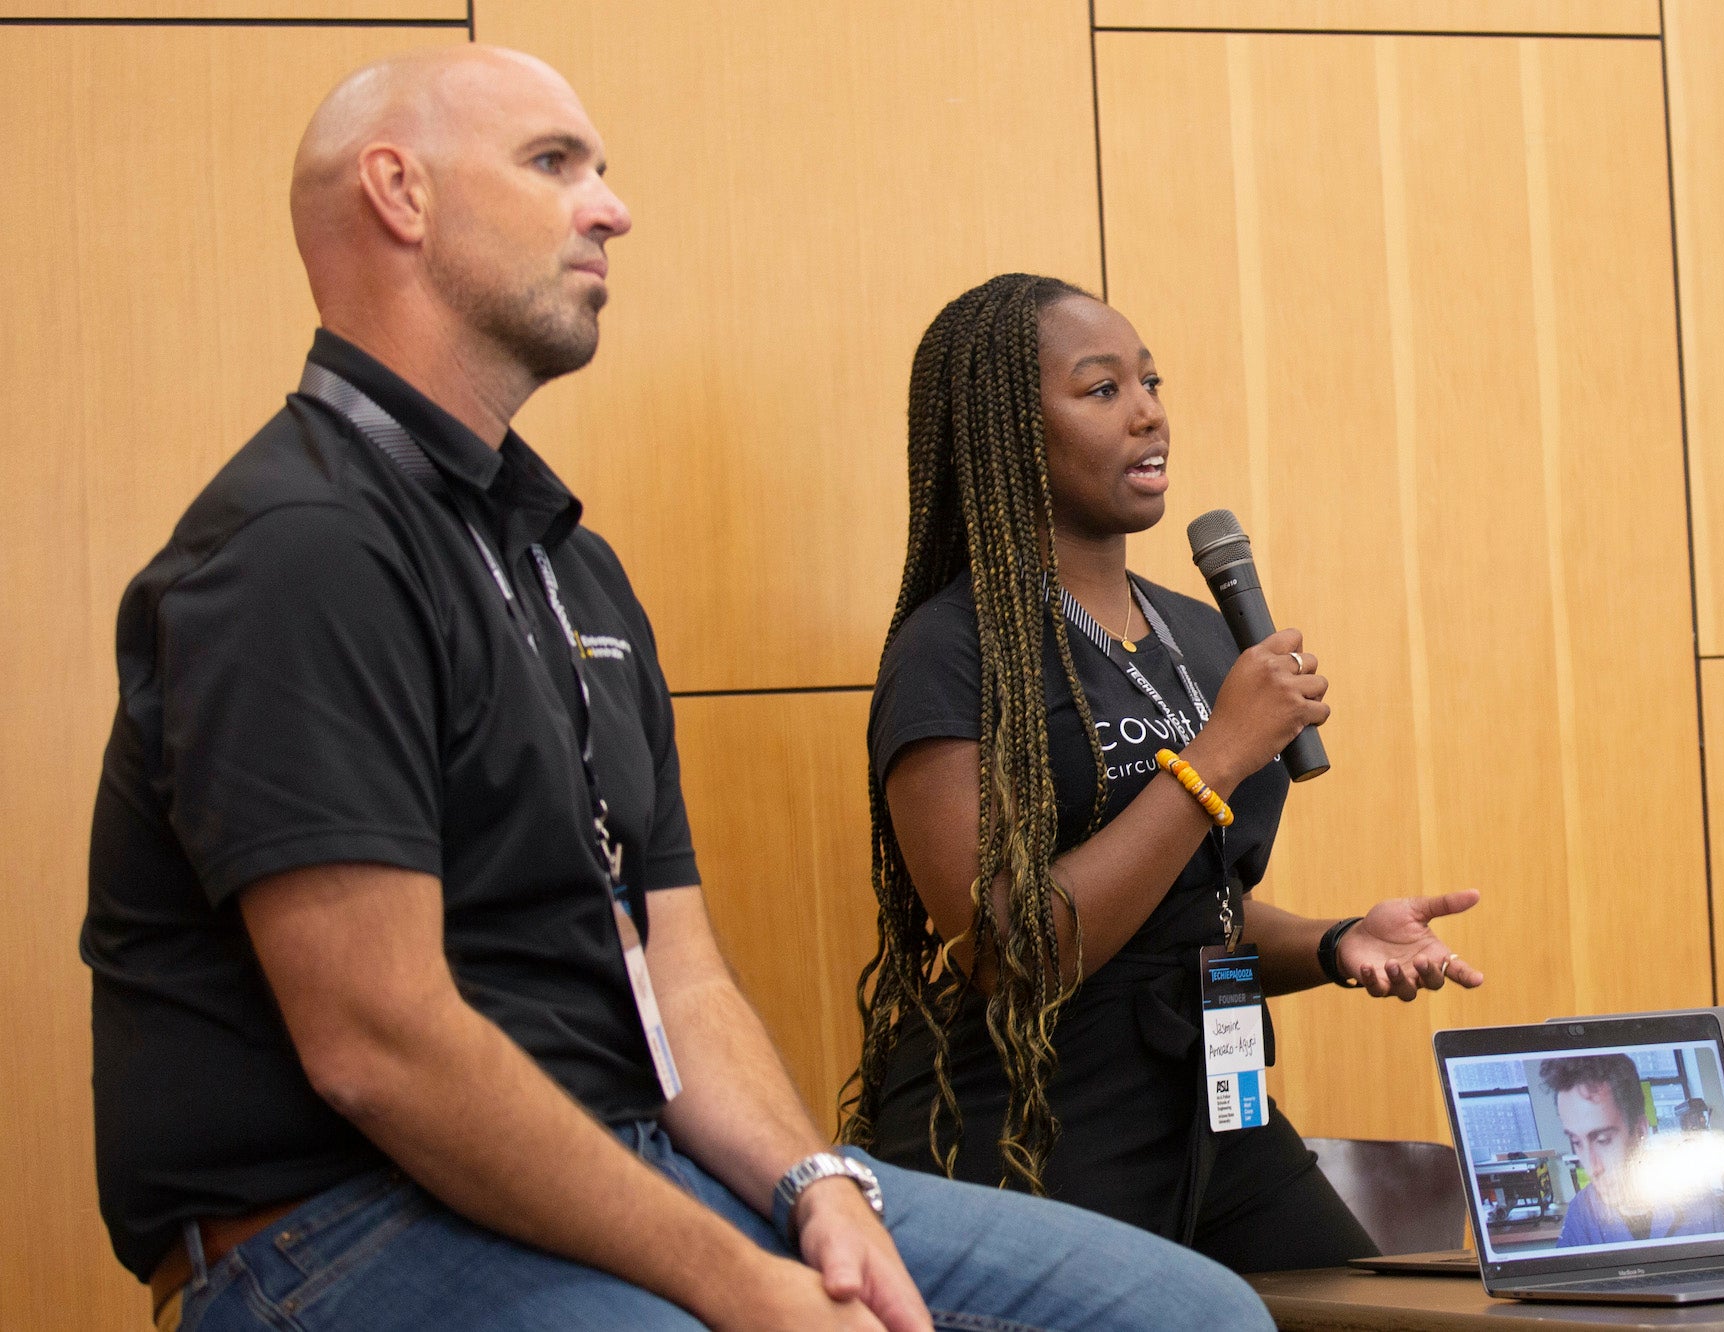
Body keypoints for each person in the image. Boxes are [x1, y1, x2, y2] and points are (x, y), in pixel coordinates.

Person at [81, 47, 1270, 1332]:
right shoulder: (301, 547)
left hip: (629, 1159)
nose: (611, 206)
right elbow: (386, 1049)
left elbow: (681, 976)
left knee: (1189, 1313)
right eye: (554, 164)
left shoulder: (571, 568)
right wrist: (736, 1284)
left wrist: (814, 1187)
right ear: (398, 195)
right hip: (333, 1226)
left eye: (602, 169)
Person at [843, 272, 1488, 1273]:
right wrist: (1219, 754)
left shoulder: (1196, 632)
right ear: (1011, 429)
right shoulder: (953, 650)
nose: (1149, 412)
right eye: (1102, 390)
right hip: (1036, 1137)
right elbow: (1010, 949)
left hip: (1214, 1110)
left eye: (1151, 381)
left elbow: (1193, 910)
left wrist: (1332, 942)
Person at [1541, 1056, 1724, 1247]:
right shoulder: (1581, 1213)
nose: (1592, 1168)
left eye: (1603, 1140)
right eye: (1576, 1142)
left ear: (1640, 1131)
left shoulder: (1699, 1202)